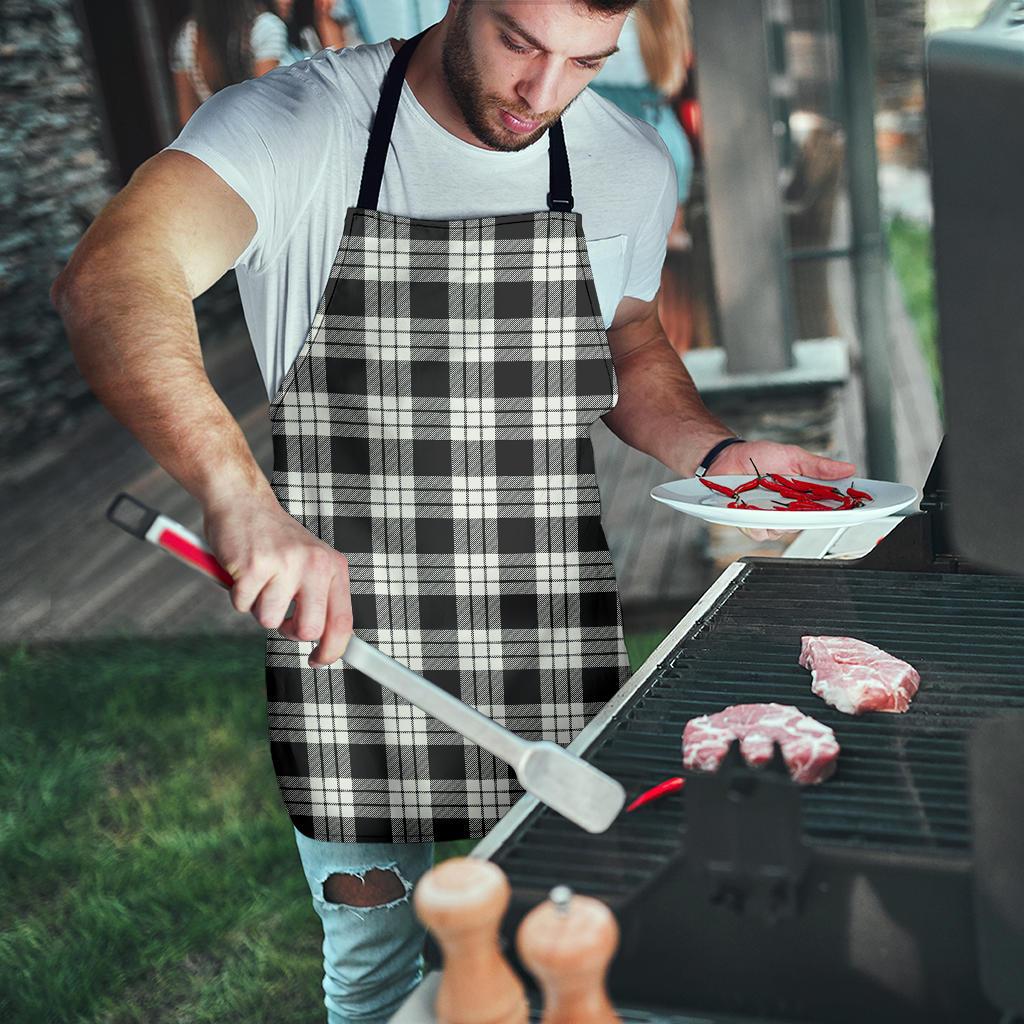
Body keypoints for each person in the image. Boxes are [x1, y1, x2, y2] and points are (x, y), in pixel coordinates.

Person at [52, 2, 856, 1020]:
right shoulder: (297, 124)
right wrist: (239, 497)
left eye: (585, 62)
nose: (543, 93)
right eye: (521, 43)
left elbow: (628, 337)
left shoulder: (625, 161)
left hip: (547, 628)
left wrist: (718, 450)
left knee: (572, 948)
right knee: (379, 972)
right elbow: (112, 275)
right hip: (347, 649)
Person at [169, 0, 289, 128]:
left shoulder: (187, 37)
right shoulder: (265, 27)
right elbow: (269, 107)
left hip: (217, 141)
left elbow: (187, 120)